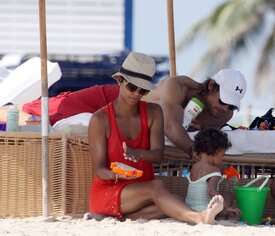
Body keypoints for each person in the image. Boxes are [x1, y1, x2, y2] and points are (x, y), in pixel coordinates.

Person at [0, 58, 247, 160]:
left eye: (231, 105)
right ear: (211, 85)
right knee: (40, 111)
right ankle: (5, 110)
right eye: (222, 100)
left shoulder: (223, 114)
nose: (224, 108)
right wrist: (196, 155)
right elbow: (172, 127)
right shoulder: (178, 86)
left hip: (129, 119)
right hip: (111, 98)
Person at [87, 51, 224, 224]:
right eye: (132, 87)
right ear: (119, 81)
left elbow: (158, 155)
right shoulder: (100, 119)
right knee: (158, 189)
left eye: (143, 89)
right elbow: (99, 170)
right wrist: (118, 175)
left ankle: (110, 218)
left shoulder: (154, 112)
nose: (137, 93)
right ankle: (200, 218)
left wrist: (138, 154)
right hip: (110, 190)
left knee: (174, 203)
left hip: (143, 191)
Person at [185, 128, 241, 219]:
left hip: (189, 208)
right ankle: (222, 216)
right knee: (227, 194)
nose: (222, 159)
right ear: (217, 152)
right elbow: (211, 191)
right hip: (205, 210)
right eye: (222, 155)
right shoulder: (214, 170)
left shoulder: (194, 167)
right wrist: (225, 207)